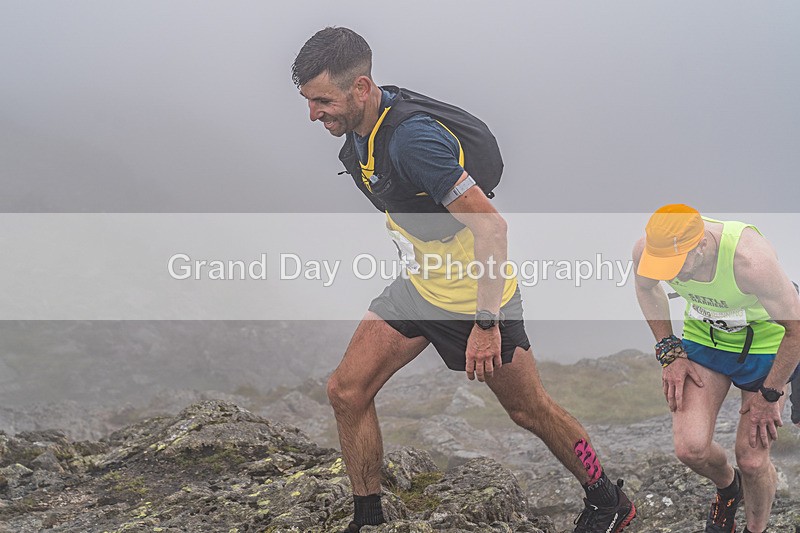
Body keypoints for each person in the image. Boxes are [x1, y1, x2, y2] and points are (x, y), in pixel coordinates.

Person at [292, 27, 635, 533]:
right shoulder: (359, 133)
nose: (314, 114)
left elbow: (491, 227)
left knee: (530, 411)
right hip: (420, 288)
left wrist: (486, 323)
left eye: (323, 100)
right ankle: (368, 520)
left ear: (361, 88)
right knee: (346, 391)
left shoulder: (414, 140)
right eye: (308, 101)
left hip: (477, 296)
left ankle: (608, 500)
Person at [633, 204, 800, 533]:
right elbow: (645, 287)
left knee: (752, 460)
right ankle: (728, 488)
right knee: (690, 449)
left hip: (766, 344)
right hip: (705, 340)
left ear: (702, 246)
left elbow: (796, 328)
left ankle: (756, 529)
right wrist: (669, 349)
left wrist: (770, 394)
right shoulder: (648, 252)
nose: (672, 276)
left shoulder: (751, 261)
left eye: (677, 266)